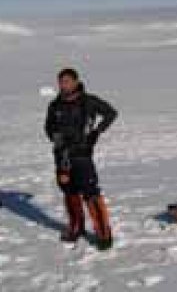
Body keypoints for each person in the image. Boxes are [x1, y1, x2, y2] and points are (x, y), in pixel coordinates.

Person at [44, 68, 118, 250]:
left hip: (82, 155)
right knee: (69, 192)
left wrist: (96, 132)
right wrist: (54, 136)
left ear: (76, 82)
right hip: (62, 156)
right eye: (61, 81)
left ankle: (103, 233)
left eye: (68, 81)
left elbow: (111, 113)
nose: (64, 85)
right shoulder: (55, 105)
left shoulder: (89, 101)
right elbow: (48, 127)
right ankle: (76, 227)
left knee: (90, 193)